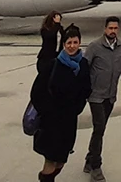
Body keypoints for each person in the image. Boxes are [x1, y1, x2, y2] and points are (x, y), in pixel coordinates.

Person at [31, 24, 91, 182]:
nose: (72, 46)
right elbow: (36, 92)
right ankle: (46, 179)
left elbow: (86, 89)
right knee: (51, 159)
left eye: (75, 42)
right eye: (68, 43)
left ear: (79, 43)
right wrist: (47, 111)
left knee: (62, 160)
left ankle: (44, 177)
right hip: (51, 122)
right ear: (63, 44)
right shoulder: (53, 65)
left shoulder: (83, 65)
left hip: (69, 120)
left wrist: (78, 107)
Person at [84, 16, 121, 181]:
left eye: (116, 28)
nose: (113, 31)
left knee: (100, 129)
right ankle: (96, 167)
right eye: (110, 28)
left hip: (110, 95)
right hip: (96, 95)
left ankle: (89, 159)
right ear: (105, 29)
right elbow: (84, 68)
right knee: (99, 128)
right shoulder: (94, 47)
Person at [37, 11, 64, 77]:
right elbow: (51, 36)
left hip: (57, 54)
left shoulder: (59, 28)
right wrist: (57, 24)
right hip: (47, 56)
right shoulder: (45, 30)